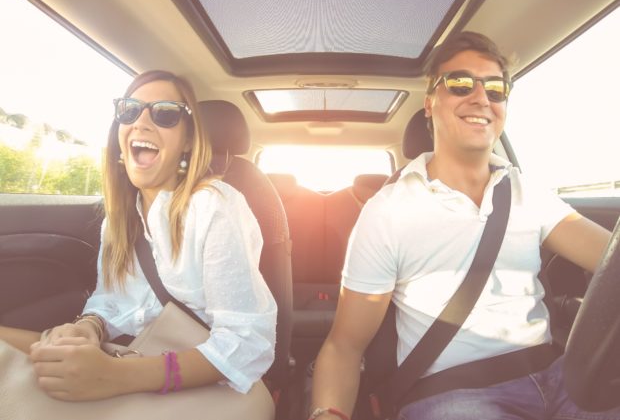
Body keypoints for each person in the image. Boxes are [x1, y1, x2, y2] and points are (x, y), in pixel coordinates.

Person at [310, 32, 618, 420]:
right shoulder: (388, 211)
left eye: (495, 89)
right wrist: (327, 414)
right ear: (430, 103)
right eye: (459, 83)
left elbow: (611, 262)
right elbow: (344, 346)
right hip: (454, 392)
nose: (480, 98)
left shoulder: (525, 190)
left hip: (558, 376)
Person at [0, 70, 277, 400]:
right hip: (125, 355)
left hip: (184, 382)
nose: (141, 122)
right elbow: (109, 301)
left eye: (165, 113)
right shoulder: (120, 217)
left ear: (188, 141)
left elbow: (247, 341)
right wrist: (87, 328)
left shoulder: (214, 205)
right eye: (130, 110)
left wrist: (117, 376)